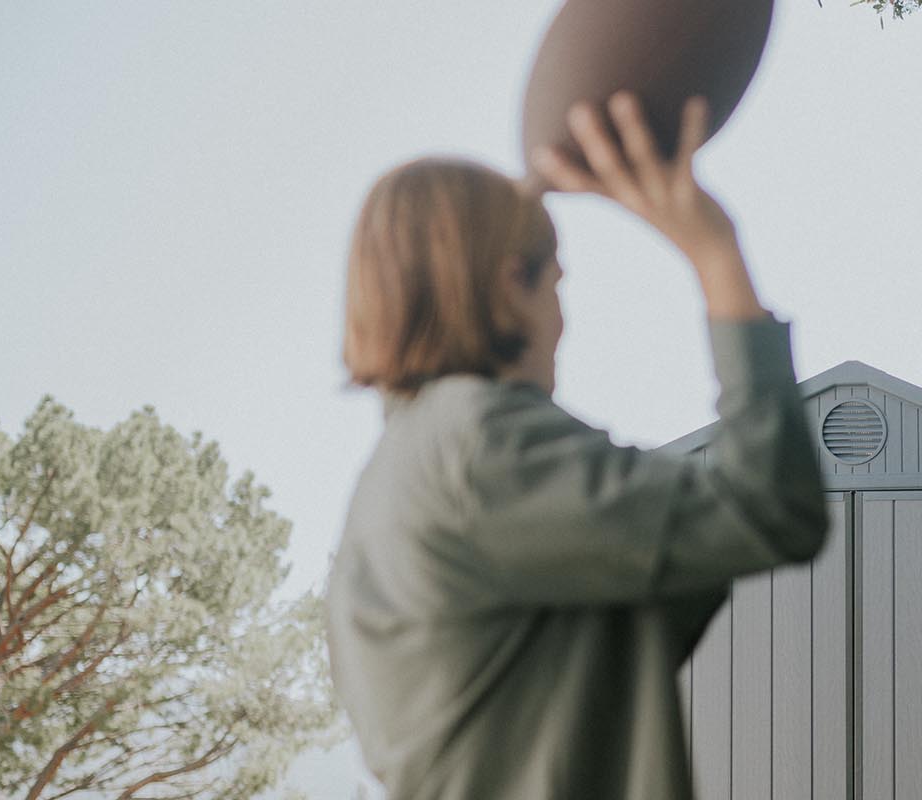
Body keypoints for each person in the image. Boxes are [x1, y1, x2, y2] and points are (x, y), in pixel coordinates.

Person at [325, 93, 830, 799]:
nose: (563, 323)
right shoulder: (479, 444)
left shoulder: (386, 491)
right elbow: (771, 508)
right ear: (512, 287)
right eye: (556, 283)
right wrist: (715, 251)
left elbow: (683, 571)